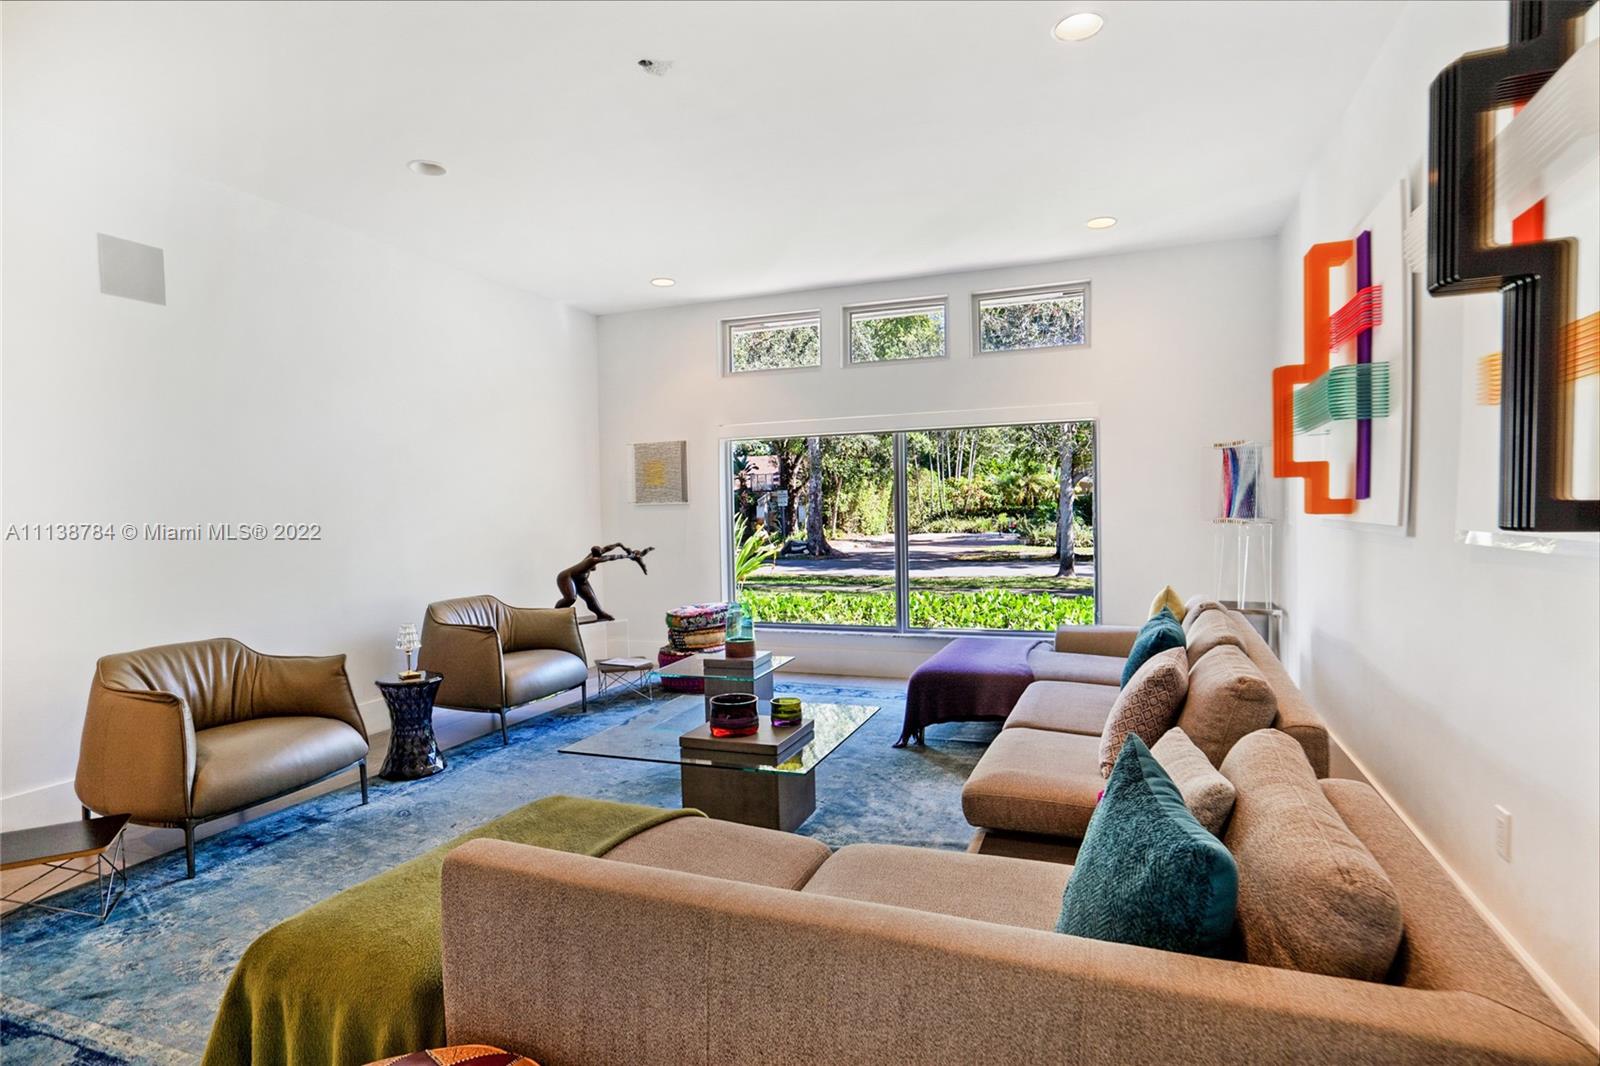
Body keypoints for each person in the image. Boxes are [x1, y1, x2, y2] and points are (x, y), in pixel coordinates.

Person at [554, 542, 653, 622]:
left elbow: (607, 548)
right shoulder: (593, 560)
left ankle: (600, 613)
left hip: (580, 579)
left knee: (591, 598)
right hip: (566, 577)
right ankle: (554, 614)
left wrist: (619, 544)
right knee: (571, 598)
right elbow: (612, 557)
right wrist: (629, 556)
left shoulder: (593, 554)